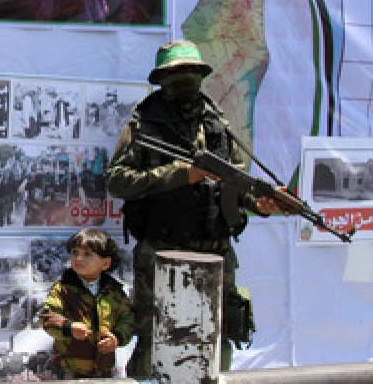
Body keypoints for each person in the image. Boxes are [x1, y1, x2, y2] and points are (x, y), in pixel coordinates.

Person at [105, 40, 281, 378]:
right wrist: (181, 174)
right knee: (154, 338)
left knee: (216, 339)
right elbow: (117, 180)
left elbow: (234, 181)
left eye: (192, 72)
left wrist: (258, 203)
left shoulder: (217, 122)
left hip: (214, 250)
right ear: (162, 78)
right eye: (177, 73)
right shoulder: (144, 123)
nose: (185, 79)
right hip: (162, 250)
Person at [39, 228, 134, 379]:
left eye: (87, 254)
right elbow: (47, 317)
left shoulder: (114, 292)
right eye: (75, 252)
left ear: (105, 263)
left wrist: (116, 338)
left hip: (104, 369)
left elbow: (128, 319)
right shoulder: (63, 289)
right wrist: (69, 327)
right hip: (68, 369)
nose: (78, 259)